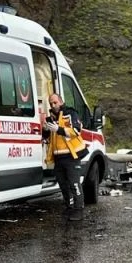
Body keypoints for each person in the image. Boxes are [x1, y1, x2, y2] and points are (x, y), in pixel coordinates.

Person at [43, 91, 88, 221]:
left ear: (61, 102)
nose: (53, 105)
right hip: (58, 157)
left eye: (55, 102)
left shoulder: (70, 113)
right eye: (51, 103)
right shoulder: (50, 118)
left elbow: (76, 130)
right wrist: (45, 131)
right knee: (63, 185)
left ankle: (78, 210)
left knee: (74, 184)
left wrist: (59, 129)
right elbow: (47, 138)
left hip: (71, 156)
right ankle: (69, 208)